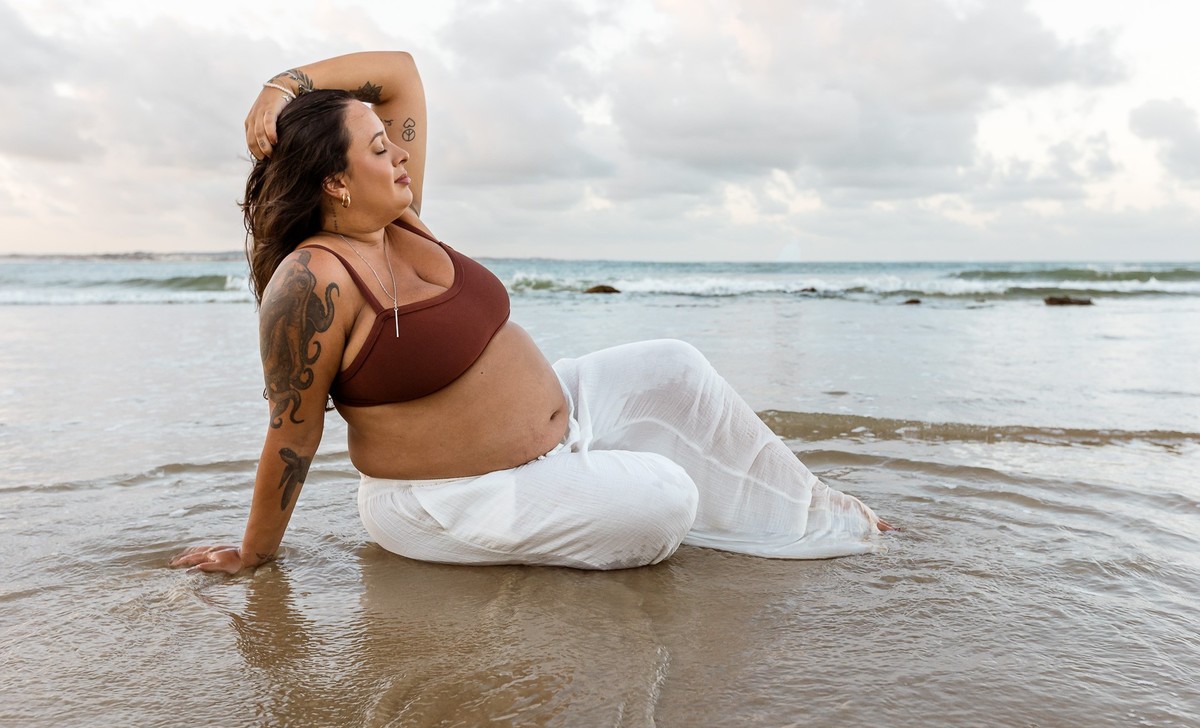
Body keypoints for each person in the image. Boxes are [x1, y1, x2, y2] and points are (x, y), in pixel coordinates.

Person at [171, 51, 892, 574]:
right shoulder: (311, 281)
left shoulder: (399, 217)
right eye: (380, 146)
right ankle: (591, 487)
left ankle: (820, 518)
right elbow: (290, 435)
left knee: (673, 364)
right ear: (335, 180)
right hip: (450, 500)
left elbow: (399, 72)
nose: (398, 155)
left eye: (394, 143)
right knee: (668, 499)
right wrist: (252, 555)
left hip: (557, 425)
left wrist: (285, 83)